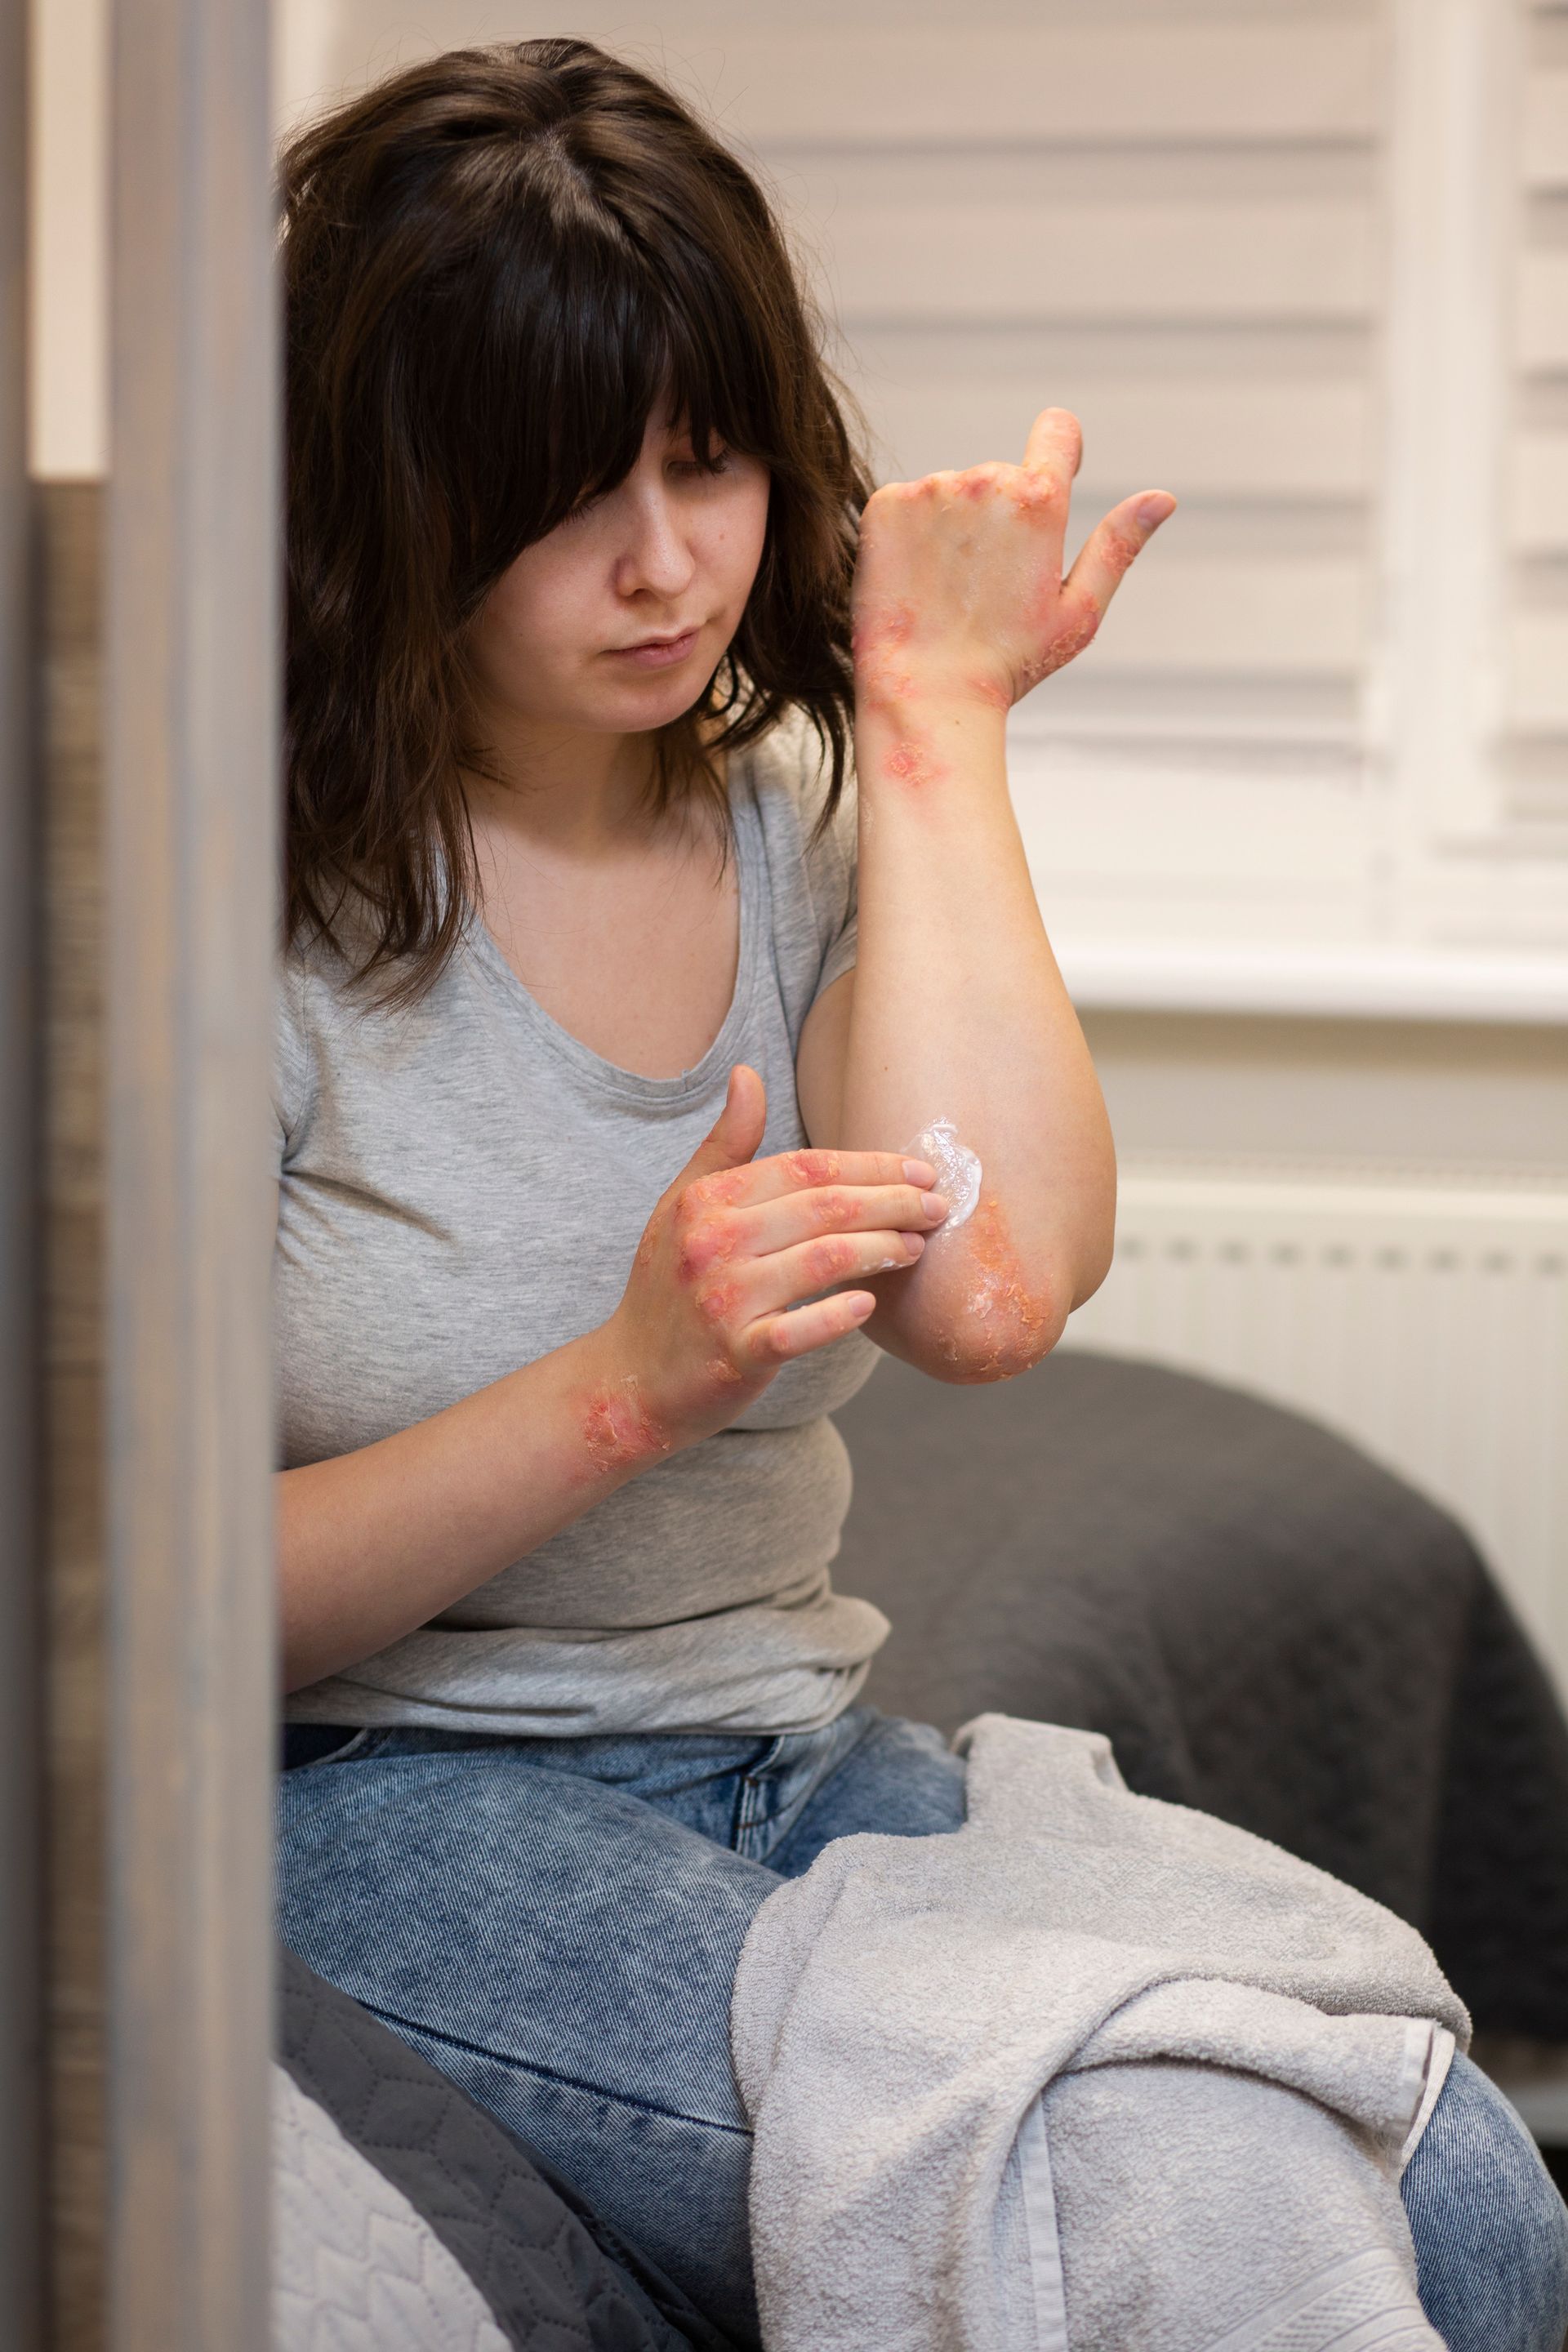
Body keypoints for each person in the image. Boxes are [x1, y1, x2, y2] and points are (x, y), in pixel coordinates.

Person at [272, 38, 1568, 2350]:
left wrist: (935, 724)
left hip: (792, 1745)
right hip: (380, 1799)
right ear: (389, 503)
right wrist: (622, 1390)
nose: (668, 562)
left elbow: (985, 1299)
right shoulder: (231, 919)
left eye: (711, 460)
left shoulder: (788, 820)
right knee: (1147, 2163)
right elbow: (129, 1627)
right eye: (568, 494)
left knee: (1459, 2175)